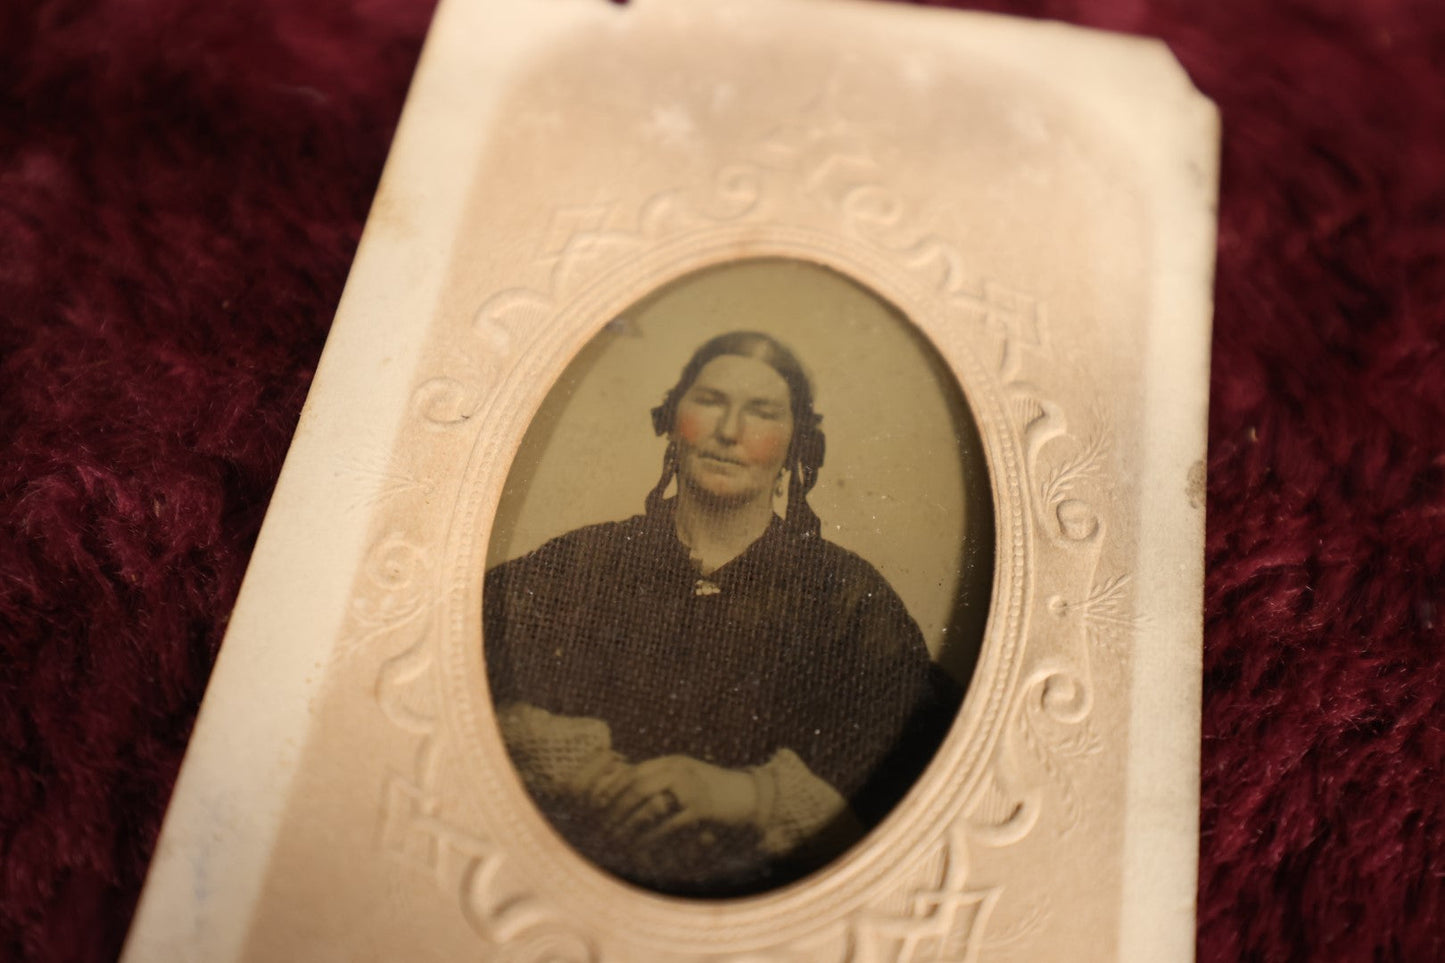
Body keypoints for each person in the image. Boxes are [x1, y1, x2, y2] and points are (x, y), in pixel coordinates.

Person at [483, 330, 959, 896]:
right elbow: (452, 679)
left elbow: (921, 791)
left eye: (761, 412)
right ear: (671, 418)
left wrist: (752, 800)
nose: (729, 432)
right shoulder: (577, 565)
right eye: (709, 401)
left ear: (796, 444)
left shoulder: (851, 603)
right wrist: (582, 771)